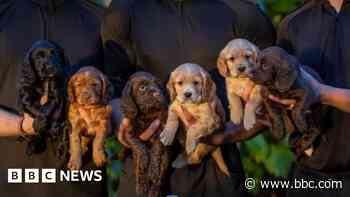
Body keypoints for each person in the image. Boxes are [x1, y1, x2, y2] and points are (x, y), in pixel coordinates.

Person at [102, 0, 276, 196]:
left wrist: (227, 134)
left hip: (216, 163)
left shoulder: (240, 10)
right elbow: (112, 86)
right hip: (146, 162)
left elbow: (274, 88)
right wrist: (120, 118)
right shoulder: (123, 11)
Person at [0, 0, 106, 196]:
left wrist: (102, 121)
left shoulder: (100, 18)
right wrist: (22, 125)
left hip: (81, 180)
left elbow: (118, 98)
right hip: (10, 179)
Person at [277, 0, 350, 196]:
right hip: (309, 178)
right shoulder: (292, 24)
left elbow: (315, 91)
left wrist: (320, 92)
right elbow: (280, 95)